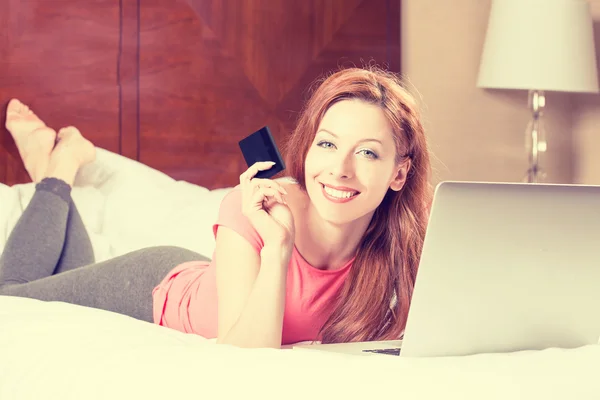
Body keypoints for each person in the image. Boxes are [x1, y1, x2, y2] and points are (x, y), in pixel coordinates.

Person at [0, 66, 432, 349]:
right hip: (154, 289)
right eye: (327, 143)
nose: (339, 169)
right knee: (10, 298)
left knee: (63, 280)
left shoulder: (406, 245)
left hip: (215, 279)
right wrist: (277, 248)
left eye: (368, 153)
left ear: (399, 173)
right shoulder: (257, 210)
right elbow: (246, 359)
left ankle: (54, 167)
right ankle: (57, 174)